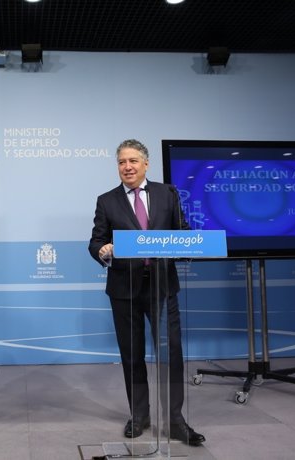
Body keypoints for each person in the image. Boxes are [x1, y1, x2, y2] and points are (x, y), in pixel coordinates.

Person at [88, 139, 205, 446]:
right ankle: (139, 415)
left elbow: (182, 231)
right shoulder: (107, 200)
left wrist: (191, 241)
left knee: (172, 353)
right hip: (124, 288)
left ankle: (176, 421)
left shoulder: (167, 193)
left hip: (162, 287)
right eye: (122, 162)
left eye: (133, 161)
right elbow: (95, 241)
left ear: (146, 164)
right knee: (132, 356)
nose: (127, 167)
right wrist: (103, 250)